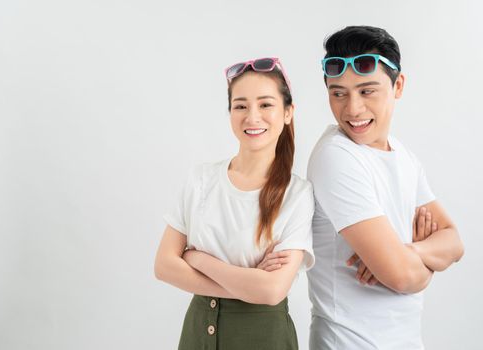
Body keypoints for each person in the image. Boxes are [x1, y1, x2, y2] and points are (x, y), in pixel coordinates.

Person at [306, 26, 465, 349]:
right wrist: (419, 264)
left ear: (398, 85)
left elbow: (454, 242)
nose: (352, 109)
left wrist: (411, 251)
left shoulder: (403, 156)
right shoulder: (336, 157)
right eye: (338, 93)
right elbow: (403, 277)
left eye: (367, 91)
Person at [154, 57, 315, 350]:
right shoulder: (201, 178)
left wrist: (198, 259)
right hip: (197, 335)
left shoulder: (297, 194)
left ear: (288, 112)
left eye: (266, 105)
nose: (252, 117)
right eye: (240, 106)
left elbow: (271, 290)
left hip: (264, 338)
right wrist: (246, 284)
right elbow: (164, 266)